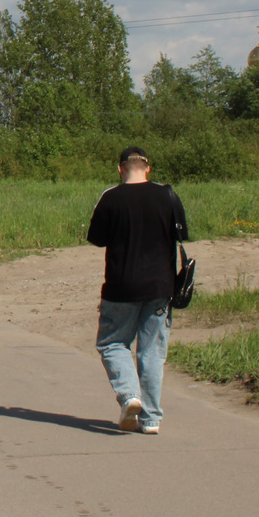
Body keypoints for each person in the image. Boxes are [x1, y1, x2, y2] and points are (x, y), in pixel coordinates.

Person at [87, 146, 188, 435]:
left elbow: (96, 238)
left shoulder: (111, 197)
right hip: (160, 286)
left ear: (120, 169)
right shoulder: (168, 195)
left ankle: (130, 396)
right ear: (148, 168)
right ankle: (151, 419)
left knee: (112, 343)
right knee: (152, 352)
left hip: (120, 285)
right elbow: (181, 235)